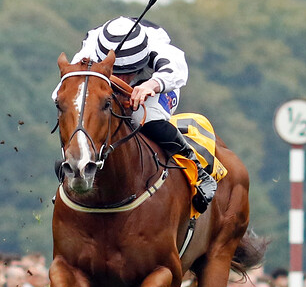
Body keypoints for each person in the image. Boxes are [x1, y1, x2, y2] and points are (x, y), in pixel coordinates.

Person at [69, 16, 216, 212]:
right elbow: (64, 90)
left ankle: (198, 170)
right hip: (102, 83)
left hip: (157, 85)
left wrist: (151, 85)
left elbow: (177, 72)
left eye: (127, 73)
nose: (121, 80)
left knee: (142, 118)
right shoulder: (90, 52)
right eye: (116, 72)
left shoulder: (157, 47)